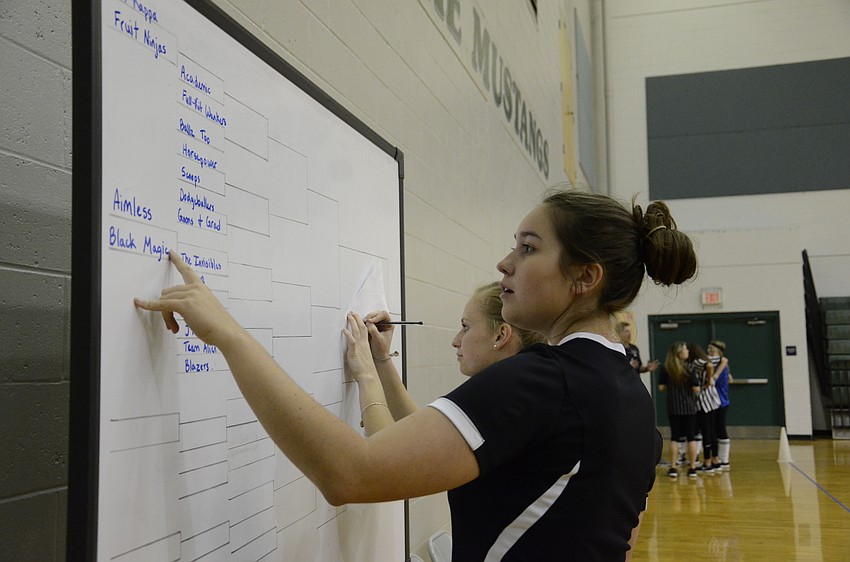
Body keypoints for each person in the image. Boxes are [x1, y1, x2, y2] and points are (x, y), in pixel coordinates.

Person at [134, 189, 697, 561]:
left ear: (584, 278)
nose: (504, 263)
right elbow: (429, 452)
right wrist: (379, 365)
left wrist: (229, 334)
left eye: (528, 248)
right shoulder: (621, 386)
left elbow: (349, 474)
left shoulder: (547, 382)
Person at [355, 282, 544, 436]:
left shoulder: (497, 400)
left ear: (500, 336)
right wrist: (381, 359)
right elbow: (423, 438)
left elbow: (390, 461)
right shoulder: (522, 389)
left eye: (465, 327)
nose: (455, 341)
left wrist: (366, 375)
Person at [657, 341, 701, 479]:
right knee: (691, 437)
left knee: (675, 437)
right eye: (685, 349)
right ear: (680, 353)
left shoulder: (666, 368)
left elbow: (661, 387)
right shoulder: (690, 367)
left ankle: (673, 467)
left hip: (673, 407)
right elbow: (696, 388)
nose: (687, 351)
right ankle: (693, 467)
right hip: (688, 407)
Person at [687, 342, 720, 474]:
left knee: (706, 430)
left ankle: (707, 460)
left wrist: (707, 381)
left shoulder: (696, 362)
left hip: (703, 399)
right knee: (712, 430)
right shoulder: (706, 358)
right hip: (712, 399)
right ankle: (716, 458)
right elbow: (720, 360)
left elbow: (710, 365)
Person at [708, 340, 731, 470]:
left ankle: (725, 458)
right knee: (714, 430)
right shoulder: (717, 363)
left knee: (721, 429)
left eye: (711, 348)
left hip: (721, 402)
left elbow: (724, 361)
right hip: (713, 402)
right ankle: (716, 456)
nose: (708, 350)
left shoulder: (721, 364)